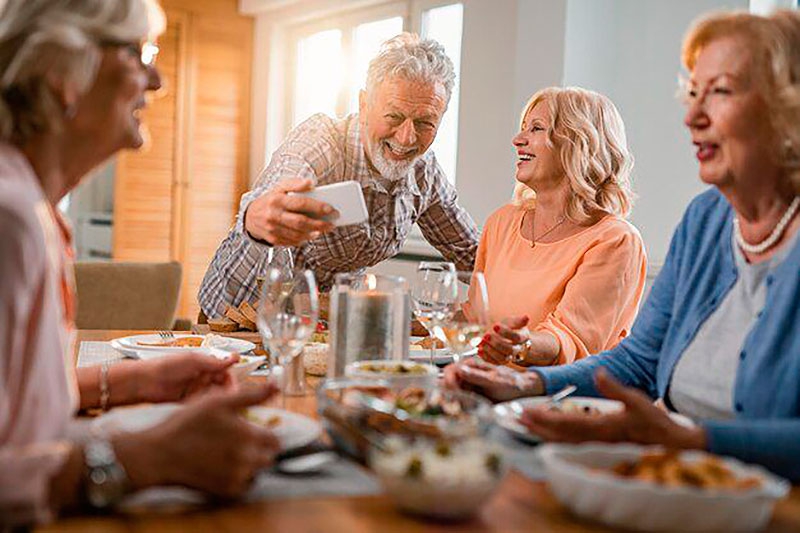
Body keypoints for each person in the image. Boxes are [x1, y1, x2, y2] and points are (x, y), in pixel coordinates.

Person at [445, 9, 800, 482]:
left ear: (788, 107)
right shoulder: (705, 220)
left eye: (719, 91)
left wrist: (695, 442)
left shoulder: (616, 237)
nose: (692, 116)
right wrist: (524, 383)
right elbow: (640, 361)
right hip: (673, 477)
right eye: (692, 93)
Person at [0, 1, 280, 526]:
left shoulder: (31, 207)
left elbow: (15, 409)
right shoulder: (8, 219)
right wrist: (143, 459)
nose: (156, 81)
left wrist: (134, 382)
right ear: (65, 72)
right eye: (138, 52)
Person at [198, 33, 479, 319]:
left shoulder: (424, 172)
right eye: (394, 117)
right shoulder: (322, 141)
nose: (407, 138)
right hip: (234, 318)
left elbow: (471, 254)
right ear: (364, 103)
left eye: (424, 123)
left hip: (322, 324)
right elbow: (272, 194)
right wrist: (256, 215)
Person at [473, 87, 646, 367]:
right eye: (523, 128)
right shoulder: (501, 223)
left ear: (577, 143)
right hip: (484, 385)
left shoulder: (614, 240)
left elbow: (572, 340)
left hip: (555, 399)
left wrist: (520, 344)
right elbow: (473, 319)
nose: (518, 140)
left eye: (536, 128)